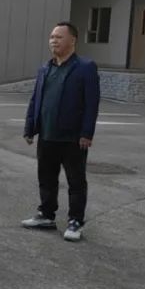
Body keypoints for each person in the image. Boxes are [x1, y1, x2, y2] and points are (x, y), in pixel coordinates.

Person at [21, 21, 100, 242]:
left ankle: (75, 221)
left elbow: (91, 103)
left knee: (76, 181)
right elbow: (35, 99)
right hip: (47, 134)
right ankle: (46, 214)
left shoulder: (85, 68)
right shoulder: (45, 68)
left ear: (72, 40)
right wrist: (30, 127)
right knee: (46, 177)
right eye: (52, 37)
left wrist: (87, 133)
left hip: (73, 137)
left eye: (59, 37)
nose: (53, 41)